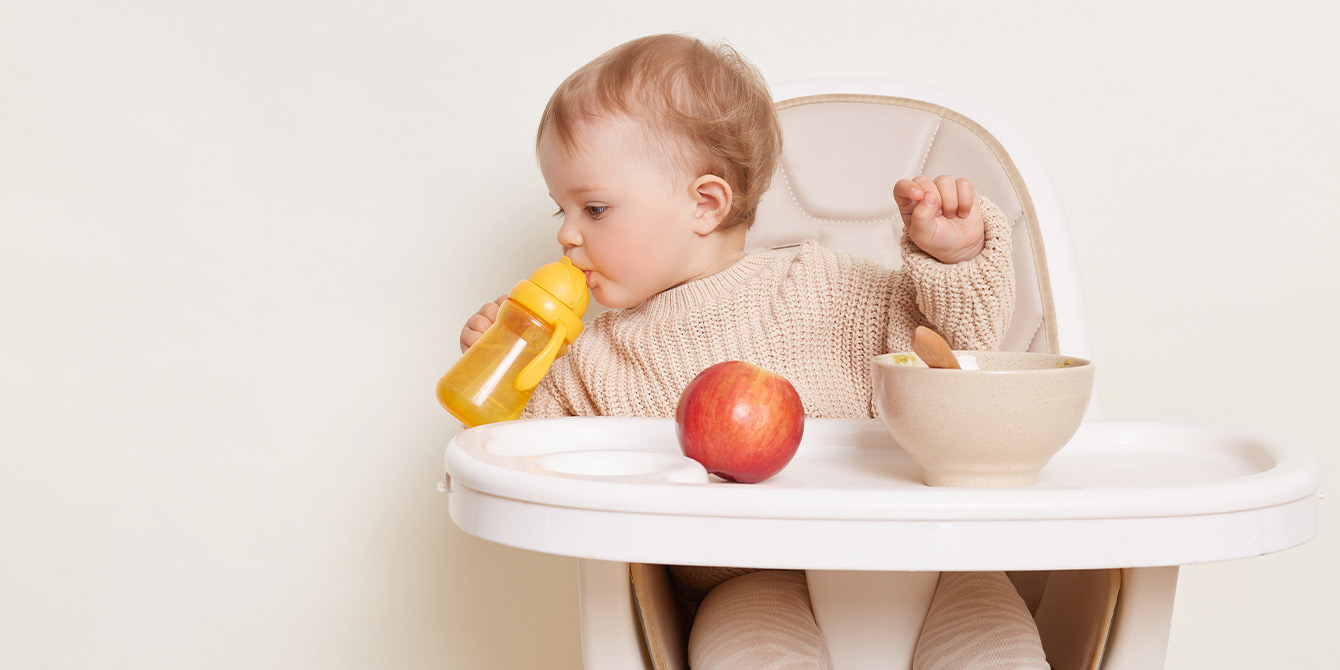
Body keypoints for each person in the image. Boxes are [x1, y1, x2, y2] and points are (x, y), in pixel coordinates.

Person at [458, 34, 1047, 670]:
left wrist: (951, 257)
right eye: (562, 209)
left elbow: (959, 353)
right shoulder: (595, 360)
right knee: (751, 650)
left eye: (593, 208)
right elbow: (540, 468)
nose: (567, 234)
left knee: (996, 647)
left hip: (923, 556)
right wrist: (509, 367)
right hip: (745, 577)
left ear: (705, 204)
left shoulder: (824, 285)